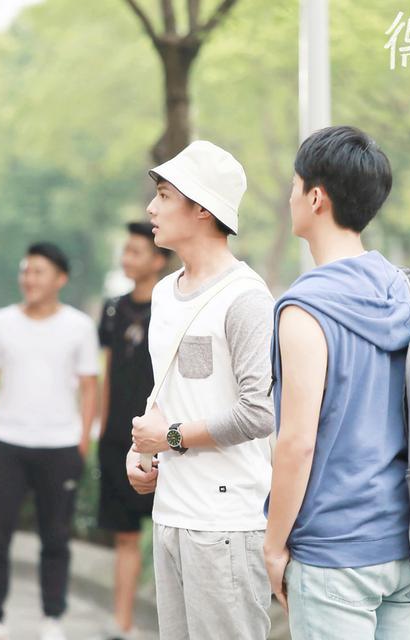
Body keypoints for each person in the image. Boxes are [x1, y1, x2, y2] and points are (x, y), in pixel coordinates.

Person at [262, 126, 410, 639]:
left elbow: (297, 443)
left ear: (316, 197)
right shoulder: (403, 292)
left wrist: (273, 546)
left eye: (294, 185)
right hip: (400, 544)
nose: (290, 197)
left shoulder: (305, 309)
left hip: (333, 552)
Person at [126, 140, 275, 640]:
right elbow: (168, 393)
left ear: (203, 210)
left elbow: (258, 413)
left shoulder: (246, 298)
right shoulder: (164, 293)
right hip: (169, 515)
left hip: (226, 525)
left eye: (165, 196)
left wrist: (168, 437)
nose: (151, 208)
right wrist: (142, 450)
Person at [0, 242, 99, 640]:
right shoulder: (0, 323)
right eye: (25, 270)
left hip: (60, 445)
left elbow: (89, 388)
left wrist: (81, 441)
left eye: (39, 272)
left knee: (55, 536)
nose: (29, 278)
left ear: (60, 279)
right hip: (4, 443)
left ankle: (52, 618)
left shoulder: (79, 326)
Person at [96, 222, 170, 640]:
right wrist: (103, 428)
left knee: (167, 538)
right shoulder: (112, 310)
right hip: (116, 439)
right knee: (124, 535)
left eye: (137, 251)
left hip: (163, 439)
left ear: (158, 260)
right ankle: (121, 624)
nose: (128, 258)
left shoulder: (171, 307)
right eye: (125, 250)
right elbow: (108, 373)